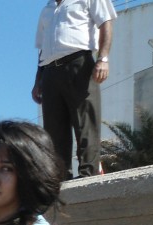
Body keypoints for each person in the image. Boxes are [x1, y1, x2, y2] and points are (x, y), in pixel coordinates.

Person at [34, 0, 116, 178]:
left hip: (78, 63)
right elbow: (41, 48)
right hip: (49, 70)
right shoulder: (47, 9)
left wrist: (103, 59)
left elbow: (106, 22)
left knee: (85, 121)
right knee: (54, 128)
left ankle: (88, 172)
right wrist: (37, 80)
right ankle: (60, 176)